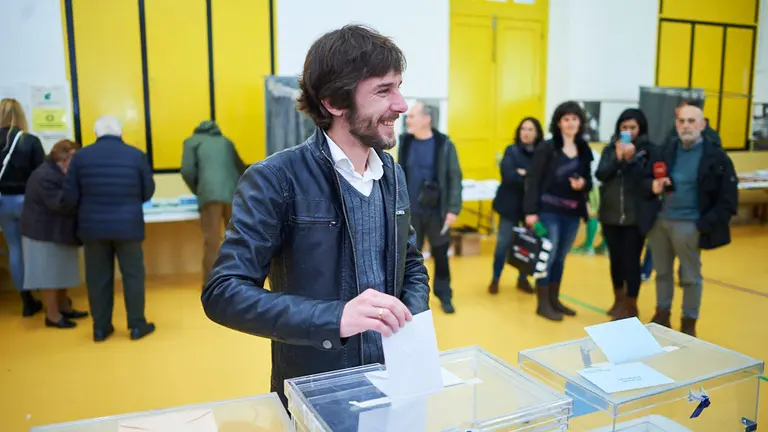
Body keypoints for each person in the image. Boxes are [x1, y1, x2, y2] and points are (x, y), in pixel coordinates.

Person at [201, 25, 430, 407]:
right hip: (318, 389)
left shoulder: (392, 173)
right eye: (383, 90)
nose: (402, 104)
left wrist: (409, 319)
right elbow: (224, 293)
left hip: (395, 378)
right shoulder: (275, 179)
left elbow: (411, 264)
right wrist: (336, 318)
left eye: (399, 87)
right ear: (335, 103)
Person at [640, 105, 738, 337]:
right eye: (682, 121)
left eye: (692, 121)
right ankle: (662, 315)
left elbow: (728, 199)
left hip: (690, 225)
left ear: (702, 125)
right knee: (662, 273)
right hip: (660, 223)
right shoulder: (667, 150)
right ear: (676, 124)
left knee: (690, 277)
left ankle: (689, 321)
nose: (686, 126)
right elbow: (644, 180)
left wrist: (703, 224)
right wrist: (651, 187)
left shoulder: (717, 157)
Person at [61, 115, 156, 342]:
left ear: (96, 134)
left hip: (92, 228)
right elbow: (148, 191)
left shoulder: (81, 157)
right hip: (128, 227)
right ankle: (136, 325)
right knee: (133, 276)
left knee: (98, 278)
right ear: (121, 133)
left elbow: (70, 195)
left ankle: (101, 328)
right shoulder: (136, 155)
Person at [523, 101, 593, 321]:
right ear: (559, 122)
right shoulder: (547, 147)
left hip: (572, 214)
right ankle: (542, 303)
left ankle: (554, 299)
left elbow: (589, 180)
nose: (570, 123)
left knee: (561, 257)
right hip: (549, 211)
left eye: (574, 118)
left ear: (580, 122)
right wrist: (530, 211)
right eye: (566, 119)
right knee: (548, 256)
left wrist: (583, 184)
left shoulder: (583, 148)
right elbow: (533, 180)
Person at [398, 101, 462, 313]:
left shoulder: (444, 144)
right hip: (411, 212)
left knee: (441, 254)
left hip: (437, 212)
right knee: (408, 257)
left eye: (412, 116)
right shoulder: (405, 142)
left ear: (427, 119)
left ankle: (444, 295)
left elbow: (454, 177)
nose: (407, 120)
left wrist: (453, 209)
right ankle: (407, 299)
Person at [20, 139, 89, 328]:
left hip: (57, 231)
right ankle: (52, 315)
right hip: (42, 233)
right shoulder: (45, 175)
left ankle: (64, 306)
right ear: (64, 160)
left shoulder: (55, 171)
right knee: (48, 276)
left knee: (61, 272)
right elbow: (60, 204)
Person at [595, 109, 654, 320]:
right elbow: (601, 174)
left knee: (631, 262)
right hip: (611, 215)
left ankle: (631, 304)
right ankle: (618, 300)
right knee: (616, 261)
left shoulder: (647, 151)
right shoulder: (610, 149)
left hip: (634, 218)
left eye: (633, 128)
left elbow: (645, 181)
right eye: (624, 127)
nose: (628, 131)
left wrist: (631, 160)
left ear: (640, 129)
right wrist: (618, 158)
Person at [180, 120, 247, 287]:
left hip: (209, 195)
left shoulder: (191, 142)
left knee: (212, 241)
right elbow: (241, 168)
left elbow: (187, 170)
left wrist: (199, 189)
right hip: (233, 195)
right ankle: (240, 283)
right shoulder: (226, 141)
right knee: (237, 240)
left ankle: (211, 285)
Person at [0, 98, 46, 317]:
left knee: (15, 250)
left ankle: (26, 300)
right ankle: (50, 297)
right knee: (37, 249)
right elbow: (42, 175)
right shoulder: (30, 141)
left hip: (2, 202)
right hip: (27, 202)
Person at [488, 117, 543, 295]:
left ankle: (523, 279)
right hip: (510, 206)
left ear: (537, 133)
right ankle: (495, 278)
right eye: (523, 129)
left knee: (528, 245)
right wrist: (529, 177)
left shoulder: (541, 153)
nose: (526, 133)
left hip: (531, 208)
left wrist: (524, 174)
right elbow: (509, 175)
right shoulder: (511, 150)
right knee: (503, 244)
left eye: (530, 130)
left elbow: (542, 179)